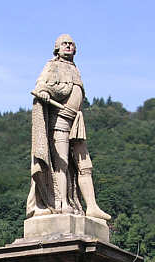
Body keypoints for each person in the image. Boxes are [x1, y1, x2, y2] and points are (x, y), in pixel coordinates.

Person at [27, 34, 111, 221]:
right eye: (65, 44)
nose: (69, 46)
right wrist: (44, 92)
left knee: (85, 166)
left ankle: (92, 206)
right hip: (60, 121)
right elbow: (41, 85)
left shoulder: (75, 68)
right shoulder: (52, 65)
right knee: (61, 164)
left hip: (77, 121)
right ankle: (61, 203)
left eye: (72, 44)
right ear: (57, 48)